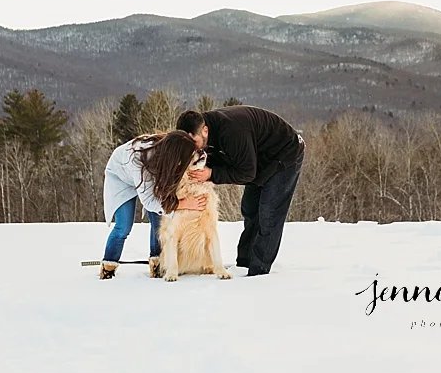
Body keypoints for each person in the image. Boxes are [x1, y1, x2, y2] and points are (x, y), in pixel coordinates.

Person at [175, 104, 304, 277]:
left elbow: (246, 173)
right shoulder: (203, 129)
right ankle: (243, 263)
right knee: (250, 209)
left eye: (193, 143)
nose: (192, 148)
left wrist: (211, 173)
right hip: (258, 159)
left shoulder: (232, 131)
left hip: (285, 153)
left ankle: (258, 272)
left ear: (205, 131)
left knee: (268, 214)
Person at [99, 131, 208, 280]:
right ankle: (108, 267)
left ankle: (158, 263)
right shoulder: (138, 160)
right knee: (123, 226)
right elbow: (150, 202)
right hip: (121, 177)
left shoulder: (169, 151)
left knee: (159, 220)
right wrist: (183, 204)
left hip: (149, 175)